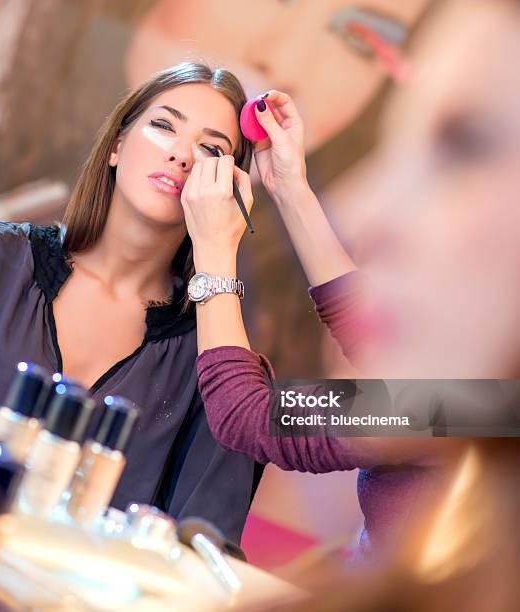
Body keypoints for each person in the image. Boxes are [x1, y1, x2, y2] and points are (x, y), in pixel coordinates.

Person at [178, 0, 520, 555]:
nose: (361, 213)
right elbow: (374, 336)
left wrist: (214, 252)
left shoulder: (460, 405)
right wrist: (291, 189)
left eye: (466, 143)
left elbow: (252, 417)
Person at [0, 62, 261, 544]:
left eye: (210, 149)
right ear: (117, 145)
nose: (181, 155)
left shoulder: (217, 364)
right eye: (163, 126)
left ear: (229, 188)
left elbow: (204, 546)